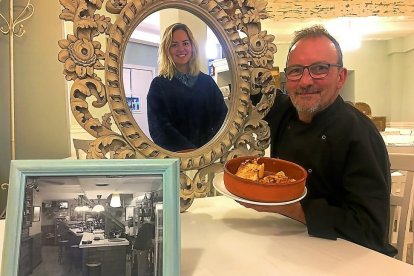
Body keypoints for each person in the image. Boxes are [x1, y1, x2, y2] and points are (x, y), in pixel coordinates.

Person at [241, 25, 397, 256]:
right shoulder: (285, 111)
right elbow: (249, 89)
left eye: (320, 69)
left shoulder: (360, 133)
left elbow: (371, 231)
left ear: (341, 77)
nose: (305, 81)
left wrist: (291, 208)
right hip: (289, 242)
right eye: (295, 71)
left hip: (346, 257)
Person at [147, 23, 228, 152]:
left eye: (185, 43)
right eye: (174, 45)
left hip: (208, 157)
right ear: (166, 49)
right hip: (176, 159)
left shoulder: (207, 82)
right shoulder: (158, 85)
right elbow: (159, 129)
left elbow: (223, 117)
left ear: (192, 46)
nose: (181, 49)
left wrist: (208, 148)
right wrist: (190, 151)